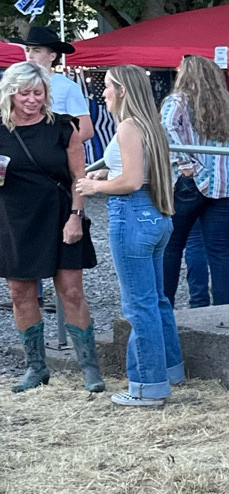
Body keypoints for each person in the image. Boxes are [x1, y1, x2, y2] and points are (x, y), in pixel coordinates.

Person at [76, 65, 184, 408]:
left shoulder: (126, 126)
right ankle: (170, 370)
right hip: (156, 214)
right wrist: (109, 174)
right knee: (156, 300)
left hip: (132, 215)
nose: (103, 92)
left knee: (139, 305)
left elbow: (132, 181)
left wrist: (94, 186)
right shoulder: (149, 124)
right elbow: (140, 172)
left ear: (122, 90)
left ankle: (147, 386)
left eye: (108, 86)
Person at [0, 61, 103, 394]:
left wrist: (76, 215)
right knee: (21, 294)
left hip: (60, 215)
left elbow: (79, 178)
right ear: (10, 94)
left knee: (71, 292)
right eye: (24, 93)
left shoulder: (62, 126)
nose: (32, 99)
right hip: (14, 219)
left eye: (38, 92)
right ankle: (36, 368)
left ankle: (89, 368)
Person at [160, 54, 229, 307]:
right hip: (225, 185)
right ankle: (227, 311)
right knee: (219, 249)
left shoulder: (177, 102)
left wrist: (186, 164)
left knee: (172, 246)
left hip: (189, 182)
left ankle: (164, 308)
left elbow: (165, 129)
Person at [22, 22, 94, 146]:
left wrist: (58, 150)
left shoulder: (67, 87)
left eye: (36, 50)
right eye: (28, 50)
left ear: (52, 56)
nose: (30, 55)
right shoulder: (18, 85)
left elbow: (86, 130)